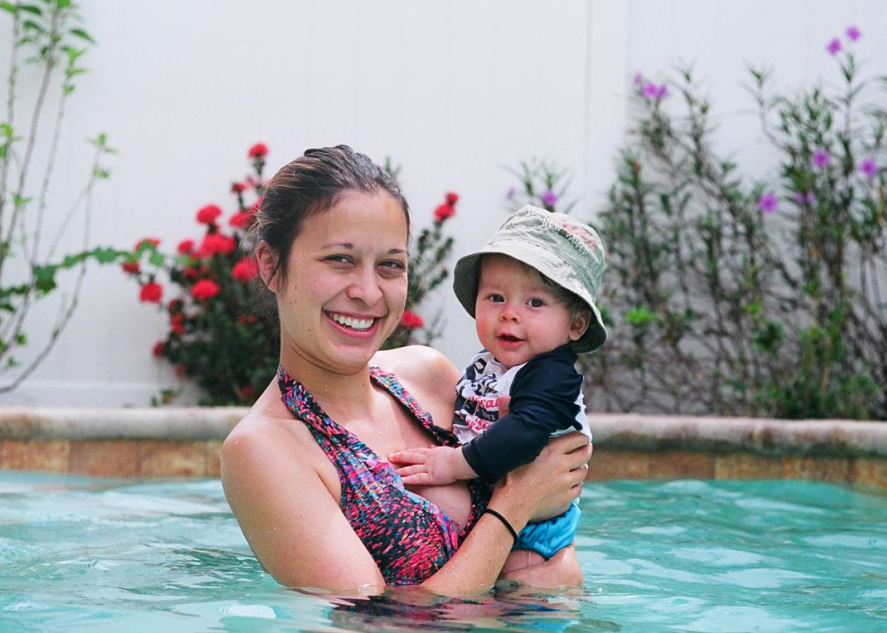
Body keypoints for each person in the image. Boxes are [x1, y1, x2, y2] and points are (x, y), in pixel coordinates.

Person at [219, 146, 589, 595]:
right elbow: (375, 627)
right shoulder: (265, 448)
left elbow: (551, 495)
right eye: (340, 259)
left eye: (390, 265)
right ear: (270, 265)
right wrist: (516, 504)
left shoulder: (427, 374)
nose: (368, 292)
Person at [389, 206, 606, 576]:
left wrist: (452, 464)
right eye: (495, 297)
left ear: (576, 325)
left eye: (535, 302)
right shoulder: (493, 363)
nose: (510, 313)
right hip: (502, 508)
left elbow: (523, 435)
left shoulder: (552, 375)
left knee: (518, 589)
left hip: (535, 534)